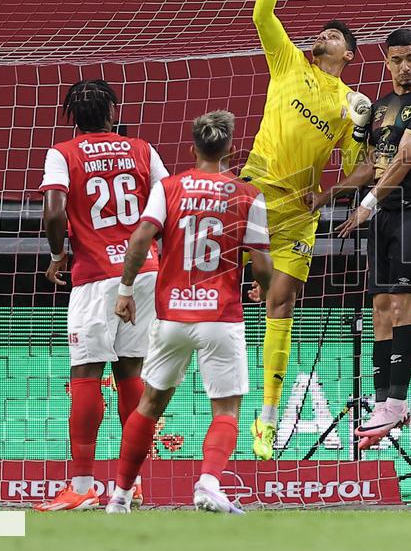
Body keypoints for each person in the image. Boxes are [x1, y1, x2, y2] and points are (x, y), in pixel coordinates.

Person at [105, 111, 273, 514]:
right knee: (227, 408)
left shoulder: (169, 187)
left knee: (149, 405)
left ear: (193, 148)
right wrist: (262, 289)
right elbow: (263, 264)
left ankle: (120, 495)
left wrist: (125, 290)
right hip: (220, 317)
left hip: (171, 318)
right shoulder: (248, 195)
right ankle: (208, 484)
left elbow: (140, 237)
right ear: (232, 148)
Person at [241, 0, 371, 460]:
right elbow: (261, 17)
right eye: (321, 32)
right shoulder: (289, 61)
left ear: (350, 53)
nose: (324, 37)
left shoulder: (350, 103)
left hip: (299, 211)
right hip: (253, 191)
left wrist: (353, 145)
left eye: (334, 35)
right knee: (201, 281)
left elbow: (358, 167)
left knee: (282, 306)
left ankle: (267, 422)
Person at [36, 79, 168, 511]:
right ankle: (131, 485)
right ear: (114, 110)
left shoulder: (63, 152)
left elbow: (54, 209)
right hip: (143, 272)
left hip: (95, 275)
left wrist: (58, 254)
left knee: (87, 372)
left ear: (72, 117)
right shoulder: (143, 149)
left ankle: (82, 485)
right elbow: (168, 200)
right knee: (132, 373)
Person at [336, 28, 411, 448]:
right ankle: (382, 401)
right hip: (384, 215)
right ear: (386, 63)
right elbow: (372, 164)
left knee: (404, 305)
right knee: (381, 308)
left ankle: (397, 403)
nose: (404, 66)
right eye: (396, 60)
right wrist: (329, 193)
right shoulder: (382, 106)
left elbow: (404, 159)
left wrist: (365, 204)